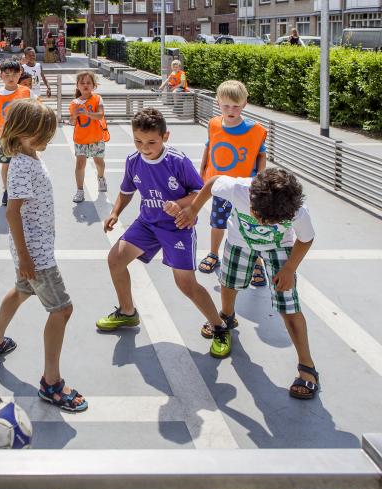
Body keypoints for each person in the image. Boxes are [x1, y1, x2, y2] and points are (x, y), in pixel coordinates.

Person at [173, 168, 319, 398]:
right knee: (229, 282)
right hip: (239, 241)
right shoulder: (238, 189)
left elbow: (305, 239)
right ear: (251, 200)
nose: (264, 224)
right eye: (260, 217)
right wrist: (193, 208)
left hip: (279, 247)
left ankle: (307, 366)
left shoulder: (297, 212)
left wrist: (290, 268)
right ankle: (227, 317)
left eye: (273, 222)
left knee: (288, 305)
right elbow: (212, 183)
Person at [95, 108, 232, 354]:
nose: (144, 147)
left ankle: (220, 327)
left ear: (165, 137)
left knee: (186, 285)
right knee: (115, 259)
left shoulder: (177, 161)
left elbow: (200, 193)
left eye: (151, 142)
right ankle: (128, 313)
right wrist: (115, 212)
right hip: (147, 223)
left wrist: (179, 205)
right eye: (138, 141)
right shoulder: (133, 161)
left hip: (177, 227)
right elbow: (127, 191)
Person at [0, 99, 88, 413]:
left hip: (30, 249)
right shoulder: (22, 165)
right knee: (62, 310)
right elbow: (12, 213)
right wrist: (27, 258)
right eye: (42, 133)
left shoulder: (30, 155)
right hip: (36, 254)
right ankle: (51, 382)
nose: (47, 139)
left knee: (21, 291)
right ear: (22, 132)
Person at [198, 80, 268, 288]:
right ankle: (213, 253)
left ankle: (257, 262)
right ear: (218, 102)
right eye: (226, 105)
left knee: (250, 226)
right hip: (220, 186)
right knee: (217, 222)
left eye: (236, 106)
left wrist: (260, 183)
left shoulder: (255, 130)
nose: (231, 110)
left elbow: (261, 157)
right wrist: (202, 173)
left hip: (245, 189)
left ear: (245, 104)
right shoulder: (214, 124)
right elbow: (209, 148)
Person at [0, 59, 34, 206]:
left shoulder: (26, 91)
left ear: (20, 74)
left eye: (14, 74)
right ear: (0, 75)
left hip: (24, 137)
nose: (10, 77)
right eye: (6, 74)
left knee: (27, 163)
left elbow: (37, 107)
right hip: (5, 137)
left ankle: (26, 189)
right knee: (6, 164)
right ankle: (7, 190)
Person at [69, 70, 108, 202]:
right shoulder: (74, 103)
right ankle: (80, 190)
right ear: (77, 86)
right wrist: (74, 116)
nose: (85, 85)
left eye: (88, 83)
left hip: (96, 137)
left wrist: (87, 113)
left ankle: (101, 177)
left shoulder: (97, 98)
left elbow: (100, 115)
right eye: (82, 83)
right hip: (80, 139)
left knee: (99, 162)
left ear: (93, 85)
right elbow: (73, 122)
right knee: (80, 164)